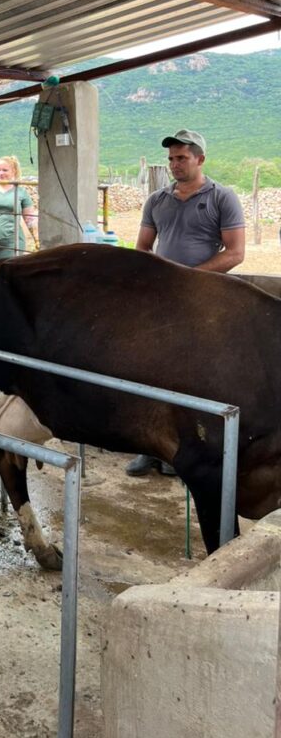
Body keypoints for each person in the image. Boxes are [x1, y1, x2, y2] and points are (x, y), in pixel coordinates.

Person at [126, 129, 246, 477]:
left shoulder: (222, 197)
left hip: (201, 299)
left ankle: (183, 452)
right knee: (149, 371)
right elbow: (142, 248)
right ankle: (149, 448)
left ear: (200, 159)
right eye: (171, 159)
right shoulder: (157, 200)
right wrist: (157, 278)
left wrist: (187, 277)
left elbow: (235, 252)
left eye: (181, 158)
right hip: (160, 299)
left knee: (192, 375)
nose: (174, 164)